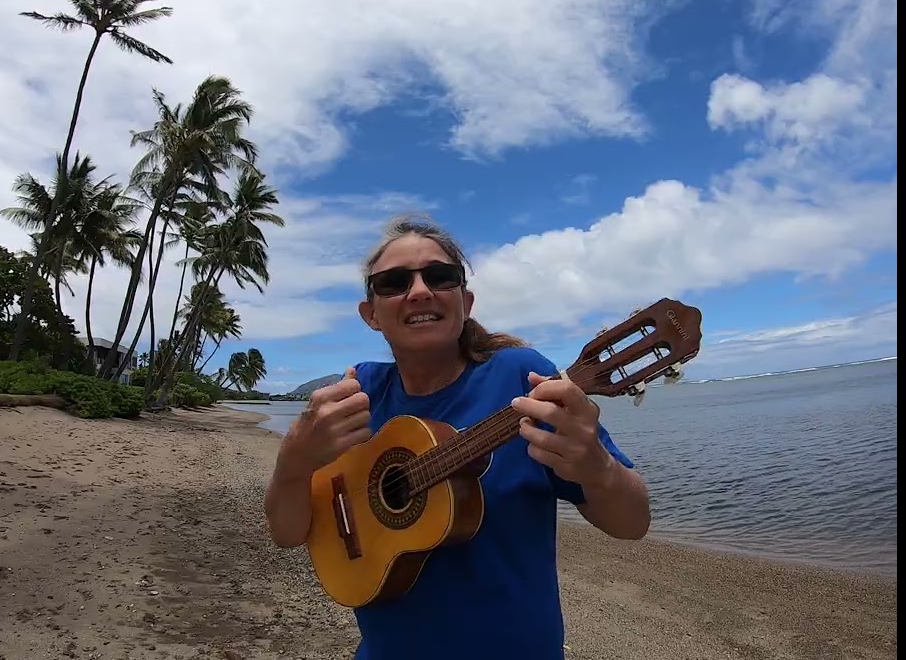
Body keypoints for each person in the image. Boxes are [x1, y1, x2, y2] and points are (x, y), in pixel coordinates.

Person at [263, 215, 651, 660]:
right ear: (371, 314)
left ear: (465, 301)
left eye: (440, 276)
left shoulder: (523, 379)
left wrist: (598, 469)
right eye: (393, 282)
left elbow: (632, 523)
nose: (420, 291)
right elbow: (288, 532)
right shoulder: (360, 394)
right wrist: (294, 459)